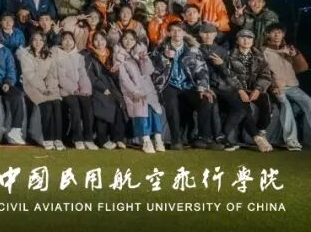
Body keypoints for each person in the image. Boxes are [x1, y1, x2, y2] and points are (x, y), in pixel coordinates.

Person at [151, 22, 217, 150]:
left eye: (180, 30)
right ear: (169, 33)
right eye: (173, 30)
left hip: (188, 86)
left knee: (206, 99)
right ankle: (176, 139)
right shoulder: (160, 48)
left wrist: (203, 88)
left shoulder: (193, 50)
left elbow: (202, 70)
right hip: (168, 85)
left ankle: (203, 138)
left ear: (184, 33)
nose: (177, 33)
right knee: (171, 102)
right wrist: (164, 57)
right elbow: (152, 69)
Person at [220, 30, 274, 152]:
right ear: (237, 40)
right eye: (243, 38)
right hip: (234, 90)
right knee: (245, 108)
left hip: (252, 89)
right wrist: (240, 90)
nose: (246, 40)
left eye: (249, 38)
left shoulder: (259, 56)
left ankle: (261, 131)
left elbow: (265, 75)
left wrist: (258, 89)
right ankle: (257, 138)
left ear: (253, 41)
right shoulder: (229, 55)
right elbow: (228, 76)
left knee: (266, 100)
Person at [113, 30, 165, 154]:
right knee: (141, 112)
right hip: (132, 91)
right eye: (126, 38)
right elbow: (124, 78)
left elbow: (148, 71)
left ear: (135, 40)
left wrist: (144, 60)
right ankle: (146, 140)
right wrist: (134, 91)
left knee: (154, 110)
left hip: (148, 89)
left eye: (131, 39)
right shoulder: (118, 55)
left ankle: (158, 139)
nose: (128, 42)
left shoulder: (141, 51)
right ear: (121, 40)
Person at [262, 24, 309, 150]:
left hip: (293, 86)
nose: (277, 35)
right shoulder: (264, 50)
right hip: (277, 87)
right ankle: (291, 141)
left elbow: (303, 68)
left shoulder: (289, 49)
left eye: (279, 32)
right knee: (286, 105)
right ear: (268, 34)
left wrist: (295, 55)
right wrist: (273, 86)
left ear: (283, 34)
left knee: (309, 102)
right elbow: (264, 72)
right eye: (273, 32)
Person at [17, 32, 63, 150]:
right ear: (31, 41)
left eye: (40, 40)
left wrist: (50, 88)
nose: (38, 43)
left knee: (56, 104)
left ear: (44, 42)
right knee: (46, 106)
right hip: (31, 86)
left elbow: (52, 74)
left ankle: (58, 139)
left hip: (48, 87)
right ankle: (48, 138)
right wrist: (43, 89)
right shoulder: (26, 55)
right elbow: (30, 75)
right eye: (35, 40)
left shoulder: (49, 55)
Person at [82, 32, 126, 149]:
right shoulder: (89, 56)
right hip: (97, 88)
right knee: (103, 105)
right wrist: (102, 88)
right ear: (92, 42)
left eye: (102, 39)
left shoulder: (112, 55)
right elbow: (90, 76)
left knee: (119, 104)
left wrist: (115, 73)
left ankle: (118, 138)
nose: (99, 42)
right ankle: (102, 139)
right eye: (96, 40)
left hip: (112, 86)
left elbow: (118, 75)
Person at [54, 31, 96, 149]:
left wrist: (85, 89)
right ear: (61, 42)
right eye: (65, 39)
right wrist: (73, 89)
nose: (68, 42)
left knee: (87, 106)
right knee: (75, 108)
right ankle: (77, 138)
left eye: (70, 39)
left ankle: (88, 138)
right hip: (65, 90)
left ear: (74, 42)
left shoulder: (79, 57)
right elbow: (61, 77)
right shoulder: (56, 56)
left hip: (79, 90)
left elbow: (82, 74)